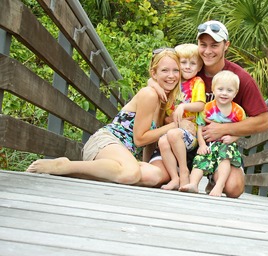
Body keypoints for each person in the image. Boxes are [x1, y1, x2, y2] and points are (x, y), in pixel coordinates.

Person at [26, 49, 182, 187]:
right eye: (165, 70)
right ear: (154, 73)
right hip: (106, 142)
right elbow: (140, 139)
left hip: (122, 154)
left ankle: (114, 171)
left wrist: (147, 163)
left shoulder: (164, 101)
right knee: (131, 174)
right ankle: (65, 166)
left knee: (154, 175)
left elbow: (149, 142)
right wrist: (172, 126)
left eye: (176, 70)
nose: (171, 76)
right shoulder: (149, 94)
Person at [150, 20, 268, 198]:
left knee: (234, 188)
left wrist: (224, 129)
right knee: (154, 176)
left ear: (226, 46)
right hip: (181, 141)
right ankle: (180, 173)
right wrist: (153, 84)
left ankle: (213, 178)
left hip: (215, 147)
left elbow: (263, 120)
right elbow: (158, 71)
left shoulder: (238, 78)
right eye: (203, 45)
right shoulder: (189, 67)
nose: (207, 51)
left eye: (214, 45)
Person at [180, 70, 245, 196]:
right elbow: (200, 127)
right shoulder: (208, 108)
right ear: (213, 90)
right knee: (200, 159)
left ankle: (219, 185)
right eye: (220, 89)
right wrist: (202, 144)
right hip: (209, 144)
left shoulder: (238, 111)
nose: (224, 93)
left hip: (226, 144)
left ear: (235, 93)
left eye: (229, 90)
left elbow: (242, 129)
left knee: (224, 159)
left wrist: (233, 138)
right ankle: (193, 184)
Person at [158, 44, 206, 190]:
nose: (187, 67)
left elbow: (200, 105)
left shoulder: (197, 82)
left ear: (199, 67)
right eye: (183, 62)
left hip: (192, 133)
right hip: (176, 129)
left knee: (172, 134)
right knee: (162, 141)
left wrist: (183, 106)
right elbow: (166, 115)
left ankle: (184, 171)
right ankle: (175, 177)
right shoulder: (174, 84)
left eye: (192, 63)